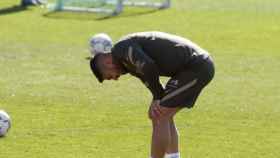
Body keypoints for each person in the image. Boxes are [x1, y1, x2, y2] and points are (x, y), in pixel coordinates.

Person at [89, 31, 215, 158]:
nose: (115, 79)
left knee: (160, 116)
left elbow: (148, 66)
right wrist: (157, 97)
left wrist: (157, 98)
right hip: (188, 69)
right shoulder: (125, 61)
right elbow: (146, 76)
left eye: (110, 77)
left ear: (108, 64)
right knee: (159, 114)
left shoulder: (122, 49)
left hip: (197, 67)